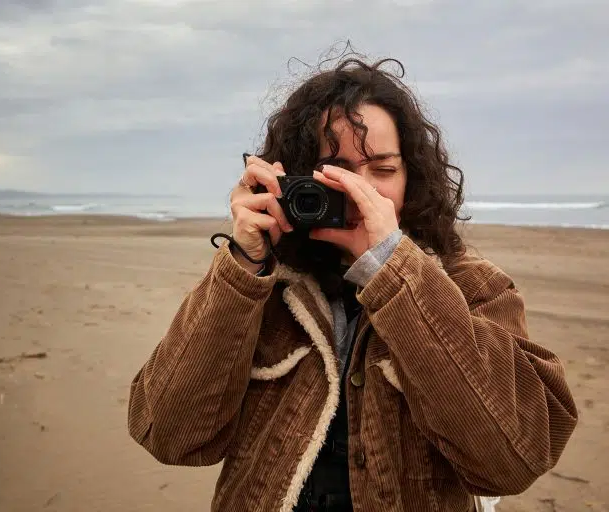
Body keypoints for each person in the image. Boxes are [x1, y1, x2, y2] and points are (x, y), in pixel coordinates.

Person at [127, 54, 578, 512]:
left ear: (413, 180)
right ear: (293, 179)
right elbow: (169, 435)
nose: (361, 191)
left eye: (382, 170)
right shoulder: (262, 288)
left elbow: (515, 459)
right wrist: (243, 264)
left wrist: (390, 268)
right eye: (334, 172)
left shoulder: (473, 288)